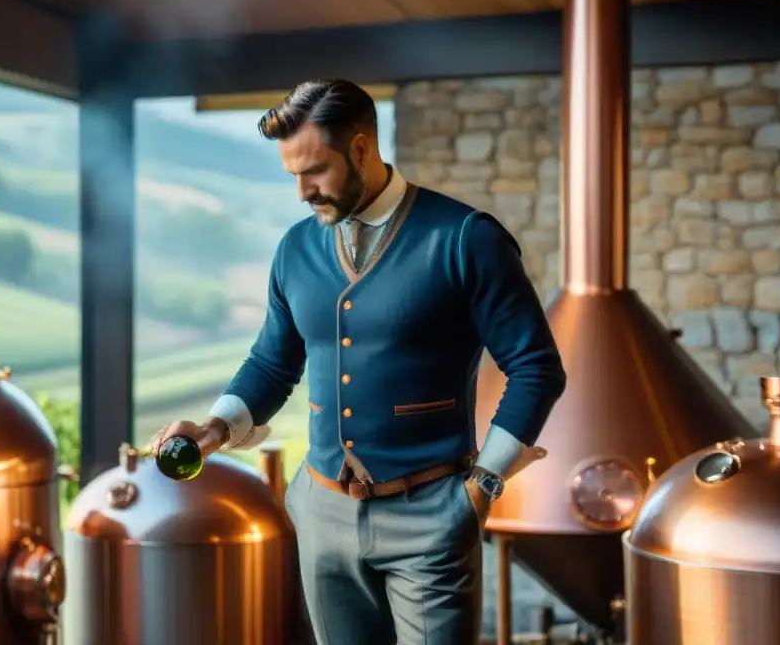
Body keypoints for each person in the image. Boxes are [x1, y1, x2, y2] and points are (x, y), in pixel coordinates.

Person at [151, 79, 566, 645]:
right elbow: (274, 362)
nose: (301, 191)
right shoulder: (295, 248)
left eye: (315, 170)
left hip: (433, 514)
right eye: (292, 174)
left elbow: (537, 366)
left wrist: (482, 487)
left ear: (364, 149)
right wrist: (214, 429)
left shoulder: (466, 239)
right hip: (321, 511)